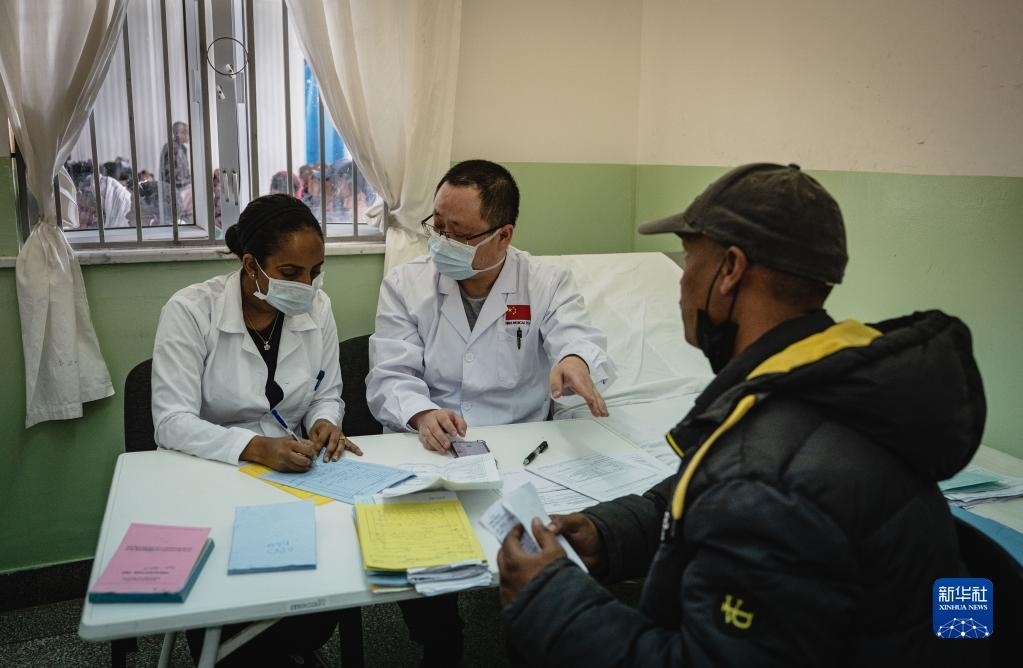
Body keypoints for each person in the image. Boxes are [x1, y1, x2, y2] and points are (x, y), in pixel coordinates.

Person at [496, 163, 986, 666]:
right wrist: (613, 533)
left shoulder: (768, 470)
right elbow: (725, 494)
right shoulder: (837, 384)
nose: (682, 284)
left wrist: (549, 598)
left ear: (730, 270)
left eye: (690, 260)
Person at [151, 193, 360, 665]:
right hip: (210, 473)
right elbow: (171, 422)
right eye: (291, 272)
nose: (307, 286)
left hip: (292, 477)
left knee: (324, 584)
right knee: (229, 597)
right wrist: (255, 447)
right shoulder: (190, 311)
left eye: (316, 271)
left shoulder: (318, 309)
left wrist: (325, 422)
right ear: (251, 264)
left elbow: (326, 390)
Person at [367, 158, 616, 451]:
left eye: (459, 234)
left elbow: (575, 336)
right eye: (438, 225)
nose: (442, 241)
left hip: (521, 440)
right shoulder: (403, 285)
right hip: (433, 442)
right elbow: (390, 375)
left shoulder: (547, 283)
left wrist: (574, 360)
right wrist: (422, 414)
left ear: (503, 236)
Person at [160, 120, 193, 223]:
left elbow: (184, 174)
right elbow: (175, 179)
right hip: (173, 191)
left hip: (180, 189)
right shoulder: (173, 149)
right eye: (186, 132)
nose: (188, 135)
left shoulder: (182, 148)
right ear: (178, 134)